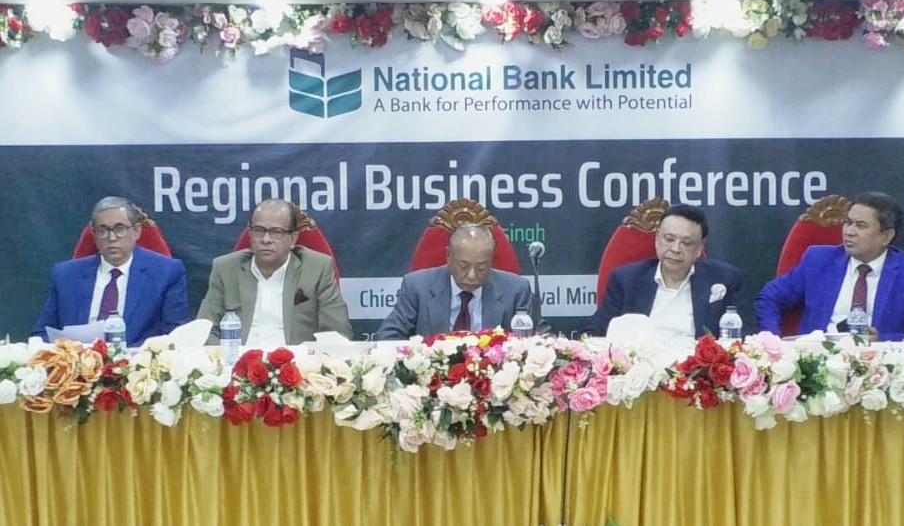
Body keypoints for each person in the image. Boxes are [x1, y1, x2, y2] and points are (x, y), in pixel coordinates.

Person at [755, 192, 904, 341]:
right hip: (819, 362)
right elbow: (769, 297)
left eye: (860, 226)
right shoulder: (819, 260)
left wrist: (882, 340)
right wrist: (774, 341)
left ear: (886, 236)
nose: (849, 232)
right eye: (848, 223)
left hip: (880, 367)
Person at [33, 196, 189, 346]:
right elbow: (42, 334)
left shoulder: (166, 272)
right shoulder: (66, 275)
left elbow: (174, 336)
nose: (112, 237)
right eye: (103, 230)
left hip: (137, 360)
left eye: (120, 229)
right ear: (94, 235)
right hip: (80, 360)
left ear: (137, 231)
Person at [199, 199, 352, 345]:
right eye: (259, 231)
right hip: (238, 359)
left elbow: (338, 334)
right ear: (250, 235)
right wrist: (228, 356)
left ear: (293, 239)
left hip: (296, 361)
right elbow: (204, 331)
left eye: (276, 232)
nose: (266, 239)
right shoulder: (225, 268)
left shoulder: (317, 268)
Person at [584, 204, 749, 339]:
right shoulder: (627, 280)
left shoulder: (725, 279)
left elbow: (746, 338)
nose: (675, 249)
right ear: (657, 239)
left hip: (697, 368)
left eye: (686, 243)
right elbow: (593, 334)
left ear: (699, 248)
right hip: (641, 366)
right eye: (669, 239)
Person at [376, 224, 532, 339]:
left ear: (491, 260)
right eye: (464, 266)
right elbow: (389, 336)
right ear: (448, 256)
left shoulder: (516, 290)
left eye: (481, 267)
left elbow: (539, 339)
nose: (472, 276)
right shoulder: (417, 286)